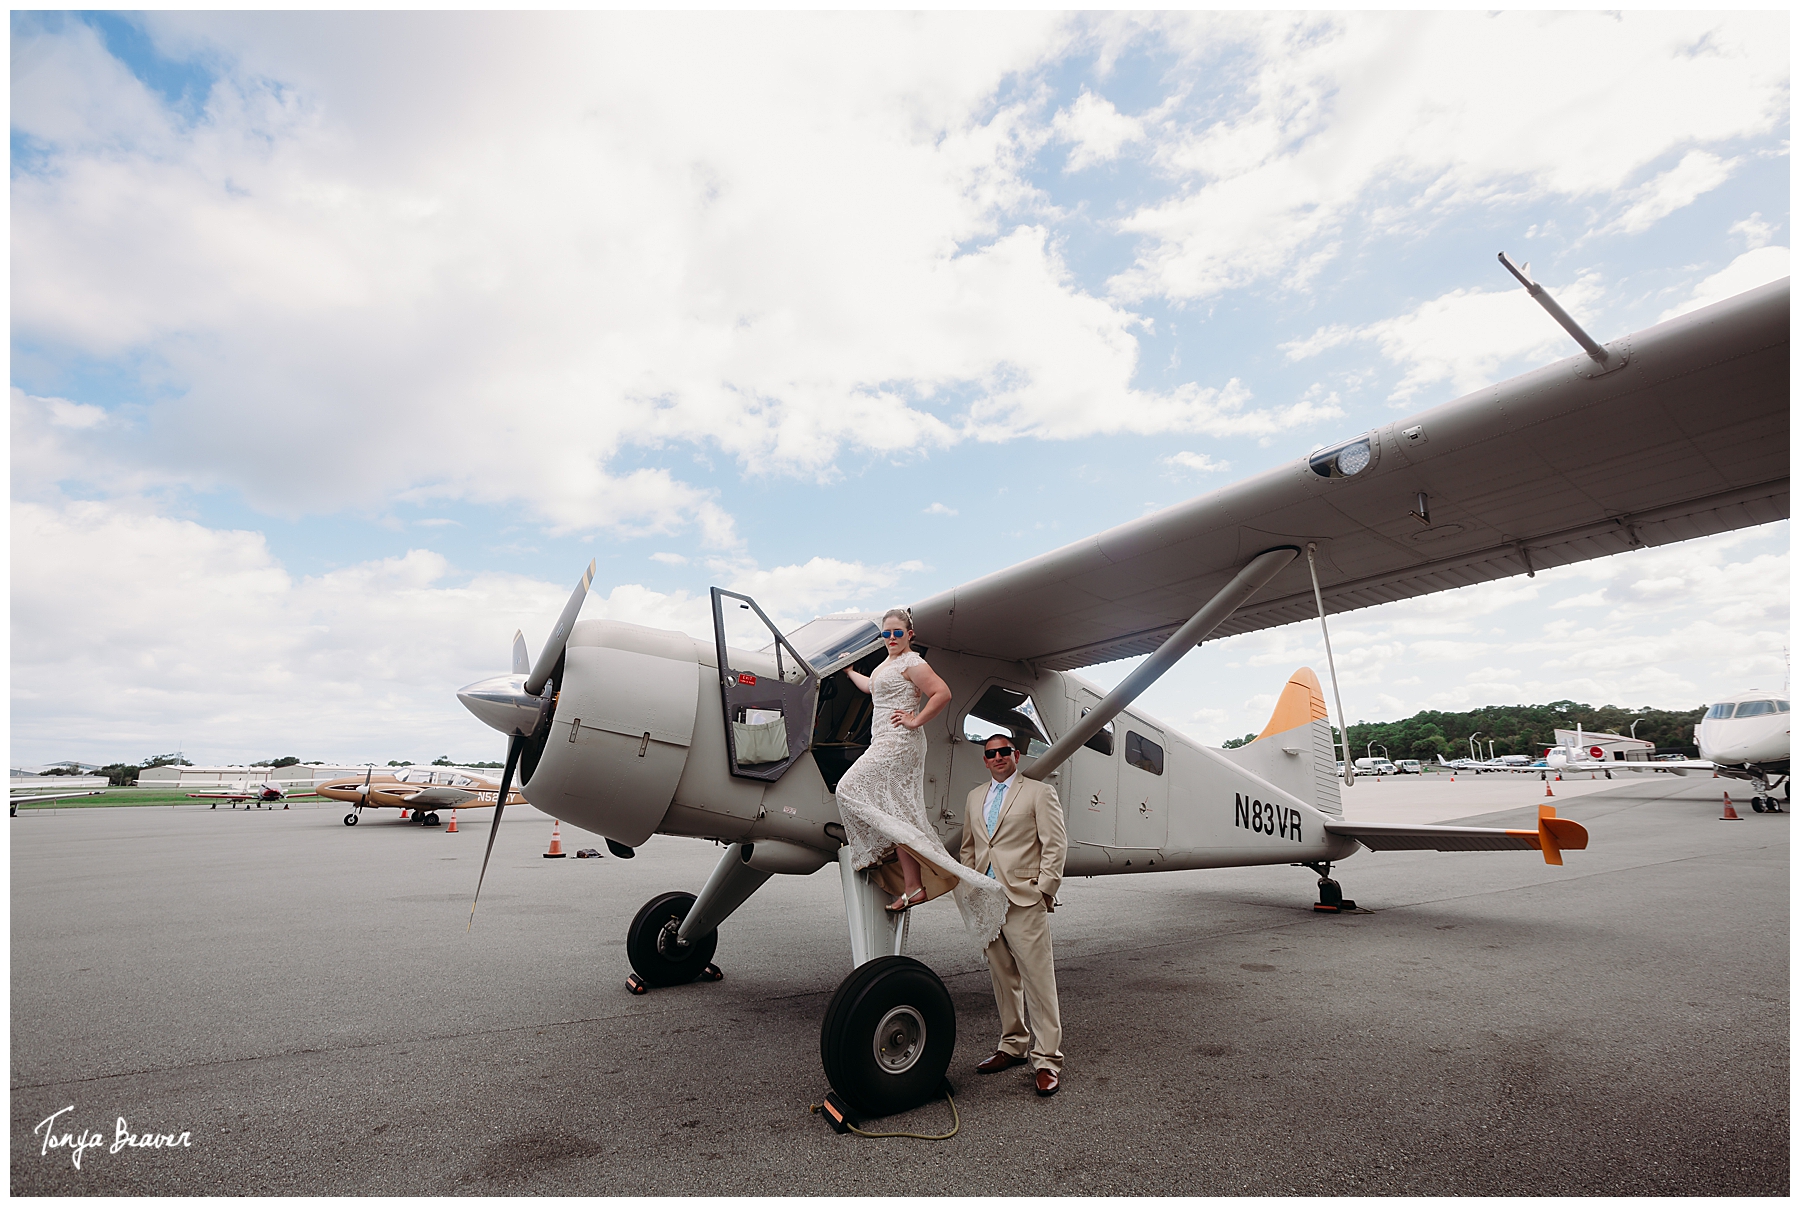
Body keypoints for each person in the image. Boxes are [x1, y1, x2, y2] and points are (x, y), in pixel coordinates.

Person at [834, 609, 1009, 943]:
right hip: (883, 739)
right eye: (886, 634)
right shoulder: (887, 665)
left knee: (848, 788)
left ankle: (878, 855)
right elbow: (871, 688)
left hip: (900, 742)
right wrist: (848, 672)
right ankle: (913, 887)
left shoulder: (911, 662)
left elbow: (942, 693)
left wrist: (915, 721)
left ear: (909, 634)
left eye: (897, 633)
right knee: (895, 812)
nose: (891, 639)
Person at [960, 731, 1068, 1097]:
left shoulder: (1038, 792)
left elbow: (1055, 844)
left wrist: (1044, 891)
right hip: (987, 901)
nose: (997, 758)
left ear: (1016, 755)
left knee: (1038, 982)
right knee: (1003, 978)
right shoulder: (975, 797)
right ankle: (1013, 1045)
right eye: (991, 754)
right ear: (985, 759)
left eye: (1004, 751)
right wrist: (971, 888)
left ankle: (1048, 1060)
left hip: (1024, 899)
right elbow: (969, 848)